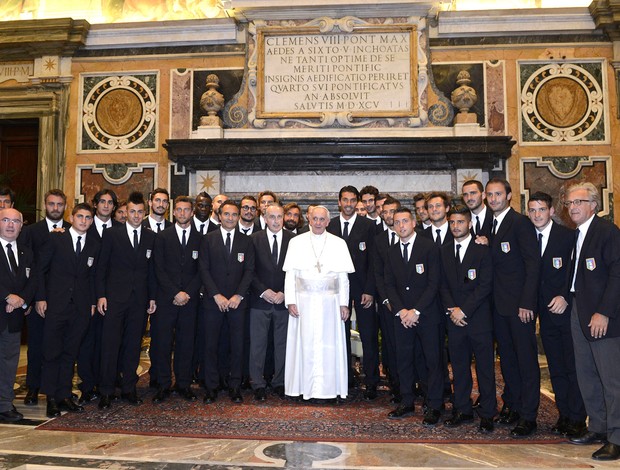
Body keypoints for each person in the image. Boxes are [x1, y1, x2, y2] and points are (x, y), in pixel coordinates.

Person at [566, 182, 620, 461]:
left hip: (601, 315)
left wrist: (604, 312)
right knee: (587, 374)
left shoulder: (606, 232)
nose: (573, 207)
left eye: (579, 202)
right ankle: (598, 427)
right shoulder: (578, 234)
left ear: (594, 205)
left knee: (611, 379)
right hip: (579, 309)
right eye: (570, 203)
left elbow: (617, 274)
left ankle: (617, 437)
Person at [527, 191, 585, 437]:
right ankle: (563, 413)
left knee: (572, 366)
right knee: (555, 366)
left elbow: (575, 270)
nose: (537, 214)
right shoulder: (527, 237)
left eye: (541, 209)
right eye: (532, 210)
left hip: (565, 309)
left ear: (551, 211)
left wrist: (564, 295)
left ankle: (578, 417)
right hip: (542, 314)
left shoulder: (568, 237)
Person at [486, 178, 540, 437]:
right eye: (490, 195)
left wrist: (527, 302)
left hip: (520, 308)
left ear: (508, 196)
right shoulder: (489, 224)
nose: (493, 199)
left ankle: (529, 416)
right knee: (507, 361)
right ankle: (514, 405)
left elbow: (533, 265)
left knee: (526, 362)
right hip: (498, 308)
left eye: (498, 194)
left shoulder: (520, 223)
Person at [35, 203, 100, 418]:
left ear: (92, 221)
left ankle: (64, 395)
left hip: (81, 308)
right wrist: (41, 298)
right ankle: (51, 399)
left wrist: (91, 302)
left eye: (88, 217)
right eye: (80, 216)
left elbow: (91, 277)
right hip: (56, 305)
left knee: (70, 353)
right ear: (71, 218)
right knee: (52, 353)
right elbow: (40, 270)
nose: (83, 221)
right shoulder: (56, 238)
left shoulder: (93, 243)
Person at [283, 205, 354, 400]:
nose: (318, 223)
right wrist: (290, 301)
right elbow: (290, 275)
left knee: (329, 346)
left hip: (329, 305)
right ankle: (301, 388)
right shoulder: (296, 242)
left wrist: (344, 304)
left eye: (322, 219)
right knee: (303, 344)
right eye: (315, 219)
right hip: (303, 303)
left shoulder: (339, 243)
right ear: (308, 219)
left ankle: (329, 390)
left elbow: (343, 278)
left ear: (328, 222)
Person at [96, 192, 157, 409]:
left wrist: (151, 297)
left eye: (141, 212)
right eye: (132, 211)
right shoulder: (112, 234)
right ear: (125, 212)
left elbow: (152, 272)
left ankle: (129, 389)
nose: (137, 215)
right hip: (114, 299)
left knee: (133, 346)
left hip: (139, 301)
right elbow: (101, 267)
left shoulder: (151, 237)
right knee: (110, 345)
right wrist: (101, 295)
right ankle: (106, 391)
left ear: (145, 212)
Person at [439, 205, 496, 433]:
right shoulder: (443, 251)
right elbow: (441, 284)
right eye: (452, 222)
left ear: (469, 224)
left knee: (485, 369)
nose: (456, 226)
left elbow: (485, 285)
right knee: (460, 368)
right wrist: (452, 309)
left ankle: (487, 413)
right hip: (454, 320)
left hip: (478, 319)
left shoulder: (482, 250)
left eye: (460, 222)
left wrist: (465, 310)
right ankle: (462, 409)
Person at [384, 207, 443, 425]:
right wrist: (401, 311)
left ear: (414, 222)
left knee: (432, 361)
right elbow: (389, 284)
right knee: (404, 360)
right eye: (397, 222)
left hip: (426, 315)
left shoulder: (429, 247)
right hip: (402, 318)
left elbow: (434, 283)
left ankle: (434, 404)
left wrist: (416, 311)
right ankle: (406, 401)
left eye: (405, 221)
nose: (401, 226)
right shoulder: (391, 251)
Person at [19, 189, 70, 406]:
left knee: (61, 347)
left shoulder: (72, 229)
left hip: (64, 301)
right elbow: (29, 267)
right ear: (45, 204)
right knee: (37, 345)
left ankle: (59, 389)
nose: (55, 208)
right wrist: (34, 298)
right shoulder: (32, 232)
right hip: (39, 298)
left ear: (65, 206)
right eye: (51, 204)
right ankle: (33, 387)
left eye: (59, 204)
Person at [200, 200, 255, 404]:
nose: (230, 218)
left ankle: (235, 386)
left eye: (234, 214)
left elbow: (250, 270)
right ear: (220, 215)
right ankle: (211, 387)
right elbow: (203, 269)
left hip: (237, 303)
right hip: (213, 302)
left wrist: (237, 296)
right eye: (226, 214)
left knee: (237, 346)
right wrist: (217, 295)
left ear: (238, 216)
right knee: (211, 345)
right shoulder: (208, 239)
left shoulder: (246, 241)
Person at [327, 186, 379, 399]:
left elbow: (375, 261)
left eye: (352, 200)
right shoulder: (329, 226)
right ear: (339, 202)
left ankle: (372, 382)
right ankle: (344, 380)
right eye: (345, 200)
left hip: (363, 289)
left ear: (356, 202)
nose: (348, 204)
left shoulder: (369, 226)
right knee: (339, 336)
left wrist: (369, 290)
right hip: (337, 292)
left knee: (368, 337)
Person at [152, 196, 202, 403]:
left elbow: (202, 271)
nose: (182, 213)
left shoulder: (201, 238)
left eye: (186, 210)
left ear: (192, 213)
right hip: (167, 300)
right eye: (179, 210)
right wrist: (175, 293)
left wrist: (187, 293)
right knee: (163, 344)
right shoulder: (162, 237)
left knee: (186, 344)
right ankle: (163, 385)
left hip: (190, 302)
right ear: (173, 212)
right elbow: (159, 269)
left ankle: (183, 384)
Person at [79, 189, 120, 403]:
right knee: (88, 342)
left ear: (114, 206)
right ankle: (87, 386)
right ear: (95, 204)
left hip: (115, 299)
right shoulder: (83, 225)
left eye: (110, 202)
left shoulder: (122, 229)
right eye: (102, 201)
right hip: (87, 296)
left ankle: (108, 383)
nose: (105, 205)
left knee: (110, 343)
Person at [249, 203, 294, 401]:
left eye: (279, 217)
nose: (276, 221)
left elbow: (295, 271)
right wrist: (263, 291)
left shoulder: (294, 240)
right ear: (265, 218)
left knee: (282, 344)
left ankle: (279, 381)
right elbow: (249, 270)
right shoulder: (253, 240)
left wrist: (284, 292)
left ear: (283, 218)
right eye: (272, 217)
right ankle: (257, 383)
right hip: (260, 301)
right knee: (257, 345)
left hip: (283, 301)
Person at [0, 208, 35, 422]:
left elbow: (33, 281)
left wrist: (22, 300)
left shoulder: (26, 252)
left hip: (13, 317)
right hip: (4, 307)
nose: (11, 225)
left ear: (22, 226)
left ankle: (4, 404)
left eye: (15, 221)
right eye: (5, 220)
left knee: (9, 362)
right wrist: (7, 297)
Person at [372, 197, 401, 401]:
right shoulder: (378, 240)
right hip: (388, 305)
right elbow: (378, 274)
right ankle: (397, 386)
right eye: (386, 212)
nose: (389, 216)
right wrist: (386, 300)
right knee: (391, 346)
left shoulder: (412, 236)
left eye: (393, 212)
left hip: (411, 304)